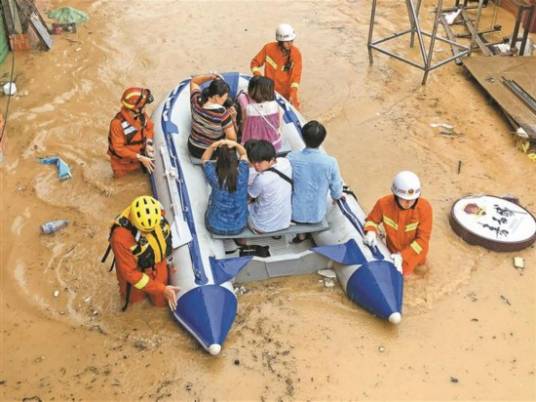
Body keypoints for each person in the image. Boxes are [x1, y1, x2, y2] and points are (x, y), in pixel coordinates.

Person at [105, 196, 180, 311]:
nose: (149, 233)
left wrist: (161, 289)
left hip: (157, 265)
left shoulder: (156, 211)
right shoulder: (120, 237)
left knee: (161, 302)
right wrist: (161, 289)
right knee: (135, 301)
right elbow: (129, 273)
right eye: (145, 230)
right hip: (135, 271)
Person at [363, 171, 433, 276]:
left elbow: (423, 241)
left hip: (416, 254)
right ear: (395, 195)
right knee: (402, 278)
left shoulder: (424, 208)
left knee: (422, 271)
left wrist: (403, 256)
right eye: (404, 199)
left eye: (412, 200)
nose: (408, 203)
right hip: (393, 252)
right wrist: (371, 232)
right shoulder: (383, 204)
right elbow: (372, 220)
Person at [287, 121, 344, 242]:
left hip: (294, 212)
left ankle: (301, 235)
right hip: (317, 214)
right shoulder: (330, 162)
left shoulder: (291, 158)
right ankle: (304, 235)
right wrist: (337, 196)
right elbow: (336, 188)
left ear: (303, 137)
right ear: (322, 140)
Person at [202, 139, 249, 235]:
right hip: (239, 227)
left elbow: (204, 160)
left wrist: (213, 145)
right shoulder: (243, 172)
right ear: (236, 161)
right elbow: (244, 154)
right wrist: (235, 144)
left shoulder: (214, 177)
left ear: (218, 160)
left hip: (215, 226)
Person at [250, 23, 302, 109]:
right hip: (268, 91)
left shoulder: (296, 54)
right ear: (280, 41)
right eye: (287, 41)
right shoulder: (268, 48)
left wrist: (293, 93)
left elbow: (296, 77)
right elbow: (254, 63)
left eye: (291, 41)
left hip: (286, 93)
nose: (290, 44)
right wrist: (258, 76)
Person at [108, 87, 156, 177]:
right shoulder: (117, 124)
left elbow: (150, 128)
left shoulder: (142, 116)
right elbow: (119, 149)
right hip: (122, 165)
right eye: (144, 106)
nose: (145, 108)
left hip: (138, 159)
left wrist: (148, 144)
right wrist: (140, 157)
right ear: (135, 109)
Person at [246, 139, 292, 233]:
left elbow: (249, 197)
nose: (256, 165)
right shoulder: (285, 163)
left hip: (262, 226)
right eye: (254, 162)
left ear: (271, 160)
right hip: (285, 222)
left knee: (243, 204)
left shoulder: (262, 179)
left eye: (259, 162)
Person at [188, 74, 237, 158]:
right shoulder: (222, 114)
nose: (226, 99)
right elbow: (232, 139)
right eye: (225, 96)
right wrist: (233, 118)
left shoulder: (195, 100)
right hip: (211, 153)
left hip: (193, 147)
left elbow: (194, 81)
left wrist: (210, 77)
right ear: (217, 97)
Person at [237, 76, 282, 151]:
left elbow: (244, 124)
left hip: (252, 145)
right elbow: (278, 124)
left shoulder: (246, 103)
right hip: (273, 143)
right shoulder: (275, 105)